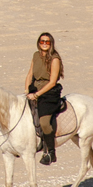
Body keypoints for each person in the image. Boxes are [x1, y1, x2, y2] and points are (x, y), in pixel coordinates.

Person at [25, 32, 65, 165]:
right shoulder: (35, 55)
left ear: (51, 43)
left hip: (49, 92)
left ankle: (51, 152)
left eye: (47, 42)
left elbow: (52, 82)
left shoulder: (55, 59)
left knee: (44, 121)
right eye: (42, 41)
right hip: (35, 89)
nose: (44, 44)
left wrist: (37, 95)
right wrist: (26, 90)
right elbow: (30, 73)